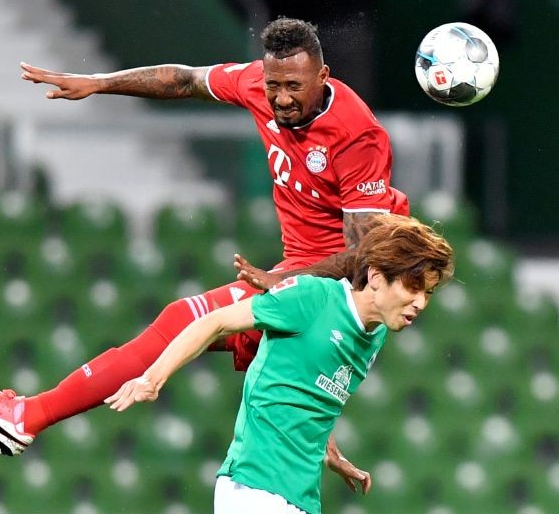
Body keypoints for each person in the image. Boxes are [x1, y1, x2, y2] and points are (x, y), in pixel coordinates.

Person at [0, 17, 406, 482]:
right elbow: (184, 79)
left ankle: (26, 417)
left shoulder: (356, 136)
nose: (282, 98)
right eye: (274, 86)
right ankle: (27, 416)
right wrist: (98, 84)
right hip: (294, 272)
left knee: (182, 324)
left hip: (330, 287)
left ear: (323, 78)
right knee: (205, 338)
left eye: (294, 87)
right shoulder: (255, 82)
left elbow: (367, 258)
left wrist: (289, 284)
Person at [105, 215, 455, 514]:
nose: (421, 302)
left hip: (301, 497)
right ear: (377, 276)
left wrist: (329, 451)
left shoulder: (375, 334)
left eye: (429, 293)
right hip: (255, 487)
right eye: (413, 287)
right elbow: (214, 322)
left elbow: (309, 387)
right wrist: (153, 377)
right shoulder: (312, 298)